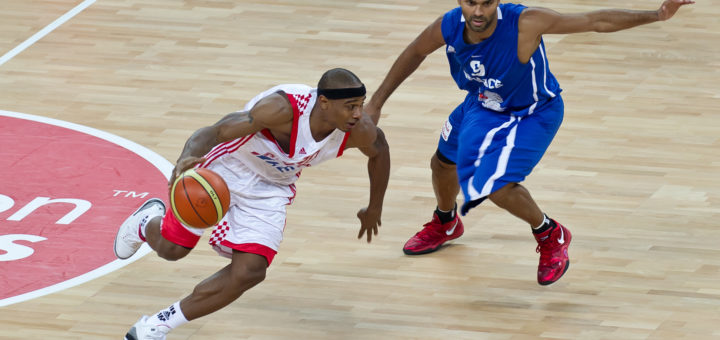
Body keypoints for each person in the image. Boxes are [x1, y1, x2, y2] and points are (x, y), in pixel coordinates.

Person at [364, 0, 693, 285]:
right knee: (442, 162)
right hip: (483, 104)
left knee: (496, 186)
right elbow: (414, 52)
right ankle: (447, 223)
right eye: (470, 3)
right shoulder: (448, 25)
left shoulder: (526, 22)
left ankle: (551, 234)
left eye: (487, 3)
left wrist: (657, 14)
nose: (478, 11)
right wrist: (376, 103)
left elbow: (596, 21)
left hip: (532, 114)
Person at [113, 68, 389, 340]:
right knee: (173, 250)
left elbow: (380, 151)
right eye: (350, 106)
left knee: (251, 271)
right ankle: (146, 222)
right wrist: (186, 158)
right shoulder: (281, 109)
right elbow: (215, 131)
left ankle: (156, 326)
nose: (357, 114)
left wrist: (374, 207)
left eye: (360, 105)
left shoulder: (359, 130)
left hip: (271, 187)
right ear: (324, 103)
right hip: (226, 169)